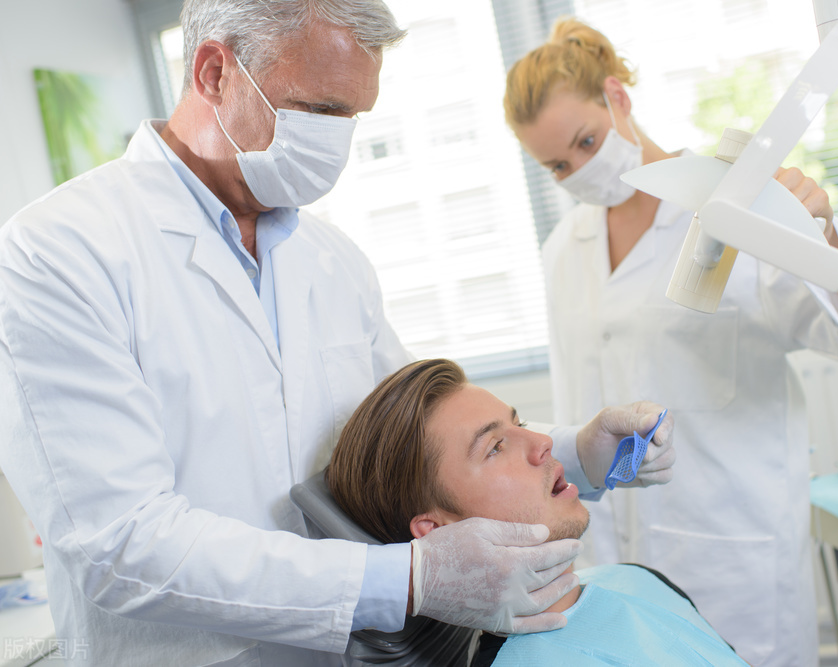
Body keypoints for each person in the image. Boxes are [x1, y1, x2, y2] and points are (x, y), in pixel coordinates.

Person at [0, 3, 677, 665]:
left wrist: (578, 452)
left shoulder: (328, 257)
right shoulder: (58, 252)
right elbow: (118, 544)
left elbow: (418, 435)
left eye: (353, 116)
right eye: (321, 111)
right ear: (213, 73)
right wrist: (405, 580)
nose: (339, 140)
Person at [502, 17, 838, 667]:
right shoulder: (564, 251)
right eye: (557, 164)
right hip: (620, 560)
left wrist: (822, 230)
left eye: (586, 141)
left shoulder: (731, 205)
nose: (580, 169)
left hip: (734, 549)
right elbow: (578, 401)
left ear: (618, 96)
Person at [327, 358, 749, 666]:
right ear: (438, 531)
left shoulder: (639, 580)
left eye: (520, 422)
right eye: (495, 447)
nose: (542, 443)